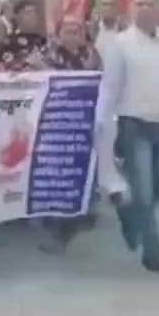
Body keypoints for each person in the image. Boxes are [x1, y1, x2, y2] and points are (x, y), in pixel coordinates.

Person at [98, 0, 159, 274]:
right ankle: (152, 249)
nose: (145, 8)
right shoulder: (121, 44)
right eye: (139, 3)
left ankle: (129, 214)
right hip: (135, 125)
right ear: (131, 10)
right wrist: (102, 120)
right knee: (144, 190)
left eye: (150, 4)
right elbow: (110, 86)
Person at [37, 16, 104, 254]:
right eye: (67, 30)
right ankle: (55, 224)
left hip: (84, 122)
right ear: (59, 32)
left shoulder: (91, 55)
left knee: (83, 170)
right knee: (56, 173)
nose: (72, 35)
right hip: (55, 122)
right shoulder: (47, 54)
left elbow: (100, 81)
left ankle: (80, 213)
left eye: (76, 30)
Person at [0, 0, 46, 72]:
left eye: (35, 13)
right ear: (17, 16)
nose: (33, 16)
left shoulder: (43, 41)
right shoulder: (8, 43)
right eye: (28, 13)